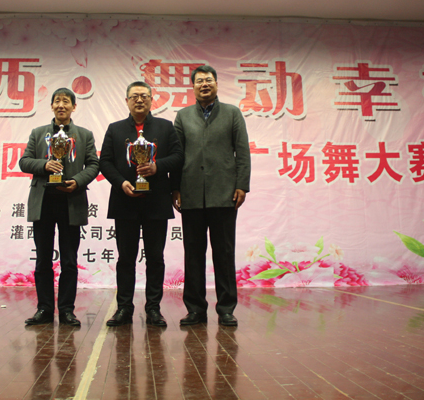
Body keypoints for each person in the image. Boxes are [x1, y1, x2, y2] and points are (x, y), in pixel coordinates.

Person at [99, 81, 184, 327]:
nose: (139, 100)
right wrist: (120, 183)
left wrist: (157, 167)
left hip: (156, 201)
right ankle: (124, 308)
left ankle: (153, 309)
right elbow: (105, 162)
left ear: (151, 100)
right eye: (134, 96)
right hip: (125, 202)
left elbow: (178, 157)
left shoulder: (165, 127)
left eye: (144, 96)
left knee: (155, 258)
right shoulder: (115, 129)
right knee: (126, 258)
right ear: (126, 101)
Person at [172, 65, 251, 327]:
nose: (204, 84)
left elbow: (242, 152)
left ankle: (226, 309)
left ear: (216, 84)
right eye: (199, 81)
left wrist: (242, 185)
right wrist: (175, 188)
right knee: (193, 255)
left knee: (224, 254)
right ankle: (195, 309)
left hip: (224, 194)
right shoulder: (183, 116)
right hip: (191, 194)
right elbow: (177, 156)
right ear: (193, 86)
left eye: (208, 80)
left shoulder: (232, 113)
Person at [19, 88, 99, 326]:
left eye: (66, 101)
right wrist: (45, 165)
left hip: (70, 202)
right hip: (43, 203)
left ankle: (66, 310)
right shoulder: (38, 133)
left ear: (74, 107)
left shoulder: (84, 135)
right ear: (52, 106)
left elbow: (93, 164)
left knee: (69, 261)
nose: (61, 105)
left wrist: (78, 181)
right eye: (57, 101)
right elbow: (24, 161)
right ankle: (44, 309)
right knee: (43, 260)